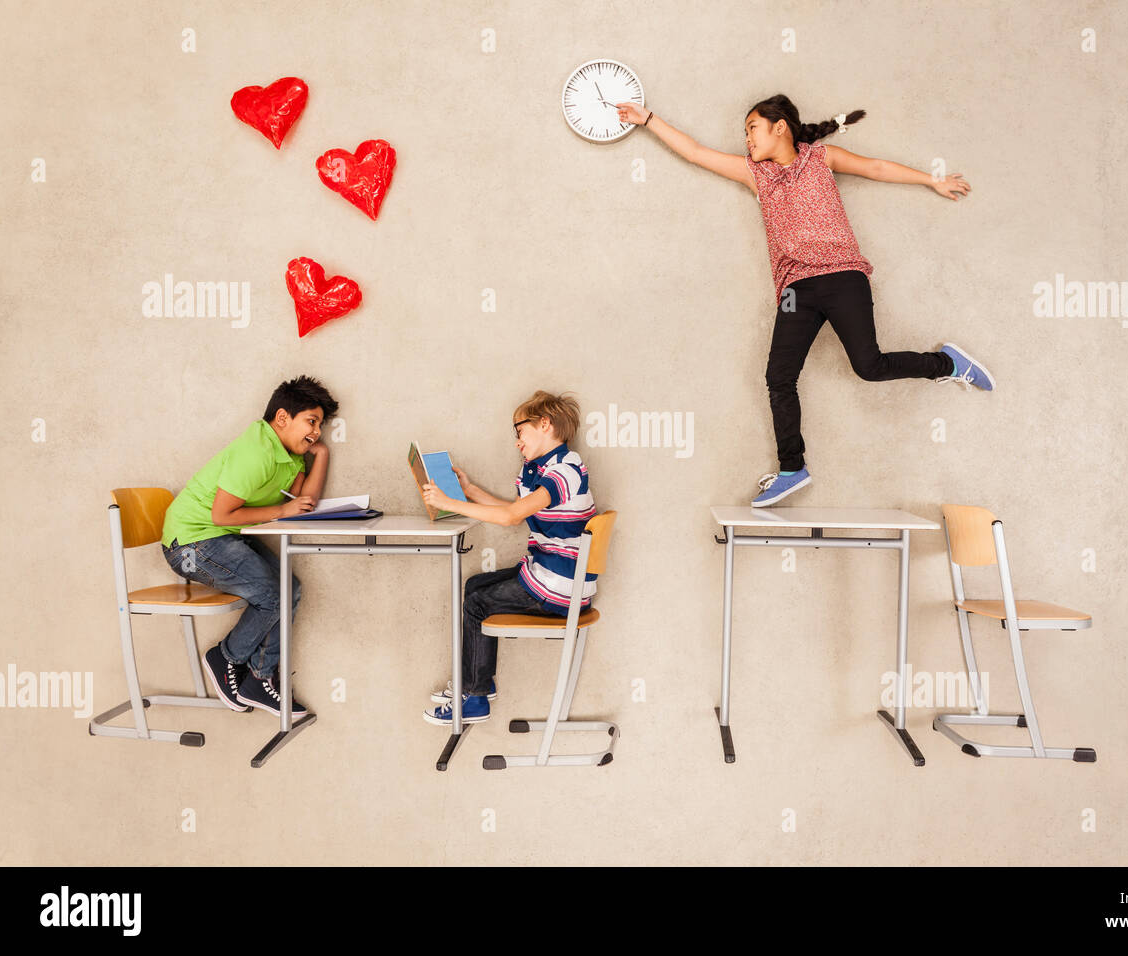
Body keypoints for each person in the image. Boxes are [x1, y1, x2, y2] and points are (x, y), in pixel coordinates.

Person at [617, 94, 996, 506]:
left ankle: (949, 363)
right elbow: (694, 152)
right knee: (778, 377)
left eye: (752, 129)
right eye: (745, 133)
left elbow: (875, 167)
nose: (747, 139)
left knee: (869, 367)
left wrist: (932, 179)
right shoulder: (754, 174)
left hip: (842, 277)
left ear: (780, 127)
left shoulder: (821, 157)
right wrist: (647, 118)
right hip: (796, 290)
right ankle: (792, 467)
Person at [160, 375, 339, 717]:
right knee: (273, 595)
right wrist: (282, 510)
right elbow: (222, 513)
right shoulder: (256, 453)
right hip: (190, 544)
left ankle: (259, 679)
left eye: (319, 425)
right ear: (283, 418)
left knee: (291, 587)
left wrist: (323, 454)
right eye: (311, 422)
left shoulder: (287, 455)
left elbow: (305, 502)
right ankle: (226, 657)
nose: (315, 432)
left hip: (220, 538)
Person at [418, 390, 597, 726]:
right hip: (553, 577)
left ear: (544, 424)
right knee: (474, 585)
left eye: (520, 432)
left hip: (559, 588)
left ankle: (474, 697)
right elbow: (513, 510)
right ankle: (478, 682)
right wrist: (469, 491)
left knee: (476, 603)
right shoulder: (547, 468)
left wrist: (449, 503)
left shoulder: (566, 471)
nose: (517, 441)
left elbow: (512, 518)